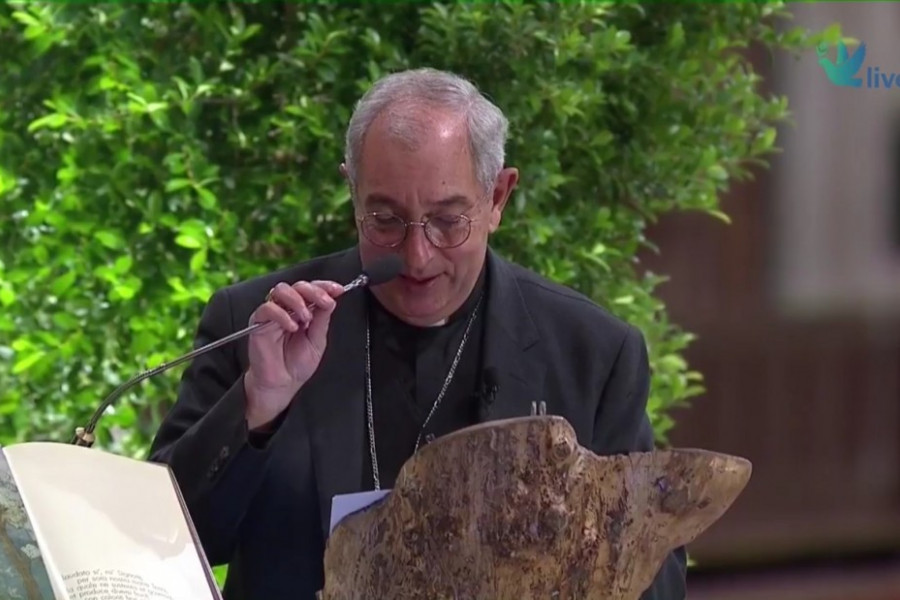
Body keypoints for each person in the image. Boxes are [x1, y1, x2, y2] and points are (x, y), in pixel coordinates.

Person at [148, 67, 687, 599]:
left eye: (448, 221)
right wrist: (260, 403)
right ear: (352, 193)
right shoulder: (253, 323)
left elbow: (651, 575)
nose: (417, 256)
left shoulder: (592, 352)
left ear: (498, 197)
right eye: (385, 219)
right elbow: (161, 543)